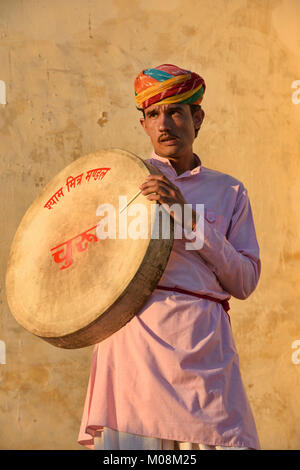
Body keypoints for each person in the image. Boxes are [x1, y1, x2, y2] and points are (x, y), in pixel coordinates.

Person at [77, 64, 261, 450]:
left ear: (197, 117)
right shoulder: (121, 183)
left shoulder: (229, 191)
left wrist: (187, 216)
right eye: (153, 114)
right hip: (133, 357)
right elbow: (93, 273)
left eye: (176, 111)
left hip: (205, 355)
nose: (165, 124)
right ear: (143, 123)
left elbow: (244, 282)